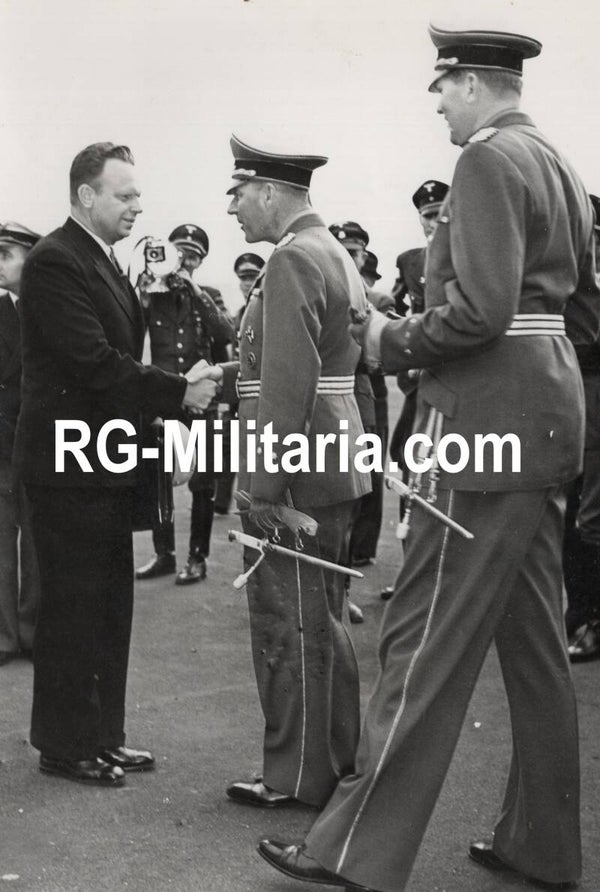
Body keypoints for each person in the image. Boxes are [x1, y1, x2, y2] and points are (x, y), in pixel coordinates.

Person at [258, 22, 599, 892]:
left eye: (444, 84)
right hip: (548, 414)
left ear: (479, 84)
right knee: (533, 649)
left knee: (422, 637)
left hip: (485, 423)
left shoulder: (487, 161)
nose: (436, 98)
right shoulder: (558, 164)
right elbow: (570, 310)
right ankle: (543, 843)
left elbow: (479, 312)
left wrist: (390, 335)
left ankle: (353, 852)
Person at [15, 142, 220, 787]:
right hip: (67, 467)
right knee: (74, 605)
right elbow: (91, 361)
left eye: (137, 195)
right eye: (124, 195)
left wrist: (157, 409)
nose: (137, 206)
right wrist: (176, 391)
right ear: (86, 196)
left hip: (103, 462)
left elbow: (113, 360)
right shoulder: (54, 260)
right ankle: (65, 744)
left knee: (108, 604)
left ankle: (105, 734)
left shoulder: (101, 260)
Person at [220, 134, 370, 809]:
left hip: (295, 467)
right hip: (331, 458)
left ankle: (295, 776)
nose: (232, 207)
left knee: (289, 623)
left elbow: (286, 384)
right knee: (323, 620)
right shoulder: (332, 250)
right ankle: (332, 759)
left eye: (239, 192)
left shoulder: (290, 260)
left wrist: (264, 487)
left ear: (272, 192)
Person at [134, 224, 234, 584]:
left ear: (201, 261)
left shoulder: (208, 294)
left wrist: (195, 291)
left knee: (202, 483)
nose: (185, 261)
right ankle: (164, 554)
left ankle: (197, 558)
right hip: (166, 398)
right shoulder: (152, 294)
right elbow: (131, 330)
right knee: (161, 479)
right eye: (180, 252)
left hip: (202, 402)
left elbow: (226, 334)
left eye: (193, 255)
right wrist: (143, 291)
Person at [382, 179, 449, 601]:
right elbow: (393, 307)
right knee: (410, 468)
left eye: (441, 212)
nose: (434, 222)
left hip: (455, 381)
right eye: (427, 215)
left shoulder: (470, 253)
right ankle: (413, 578)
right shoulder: (410, 261)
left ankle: (446, 581)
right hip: (418, 386)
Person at [0, 222, 41, 667]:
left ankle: (32, 631)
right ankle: (4, 636)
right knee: (0, 546)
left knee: (37, 544)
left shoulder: (51, 311)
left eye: (7, 252)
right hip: (1, 446)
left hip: (41, 445)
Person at [563, 193, 600, 661]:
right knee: (580, 524)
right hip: (580, 416)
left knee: (588, 523)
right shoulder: (569, 286)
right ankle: (586, 620)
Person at [213, 252, 265, 516]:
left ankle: (248, 503)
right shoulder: (240, 313)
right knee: (227, 448)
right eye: (243, 279)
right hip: (236, 393)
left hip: (255, 392)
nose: (247, 283)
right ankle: (221, 503)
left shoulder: (264, 309)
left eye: (252, 277)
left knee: (252, 453)